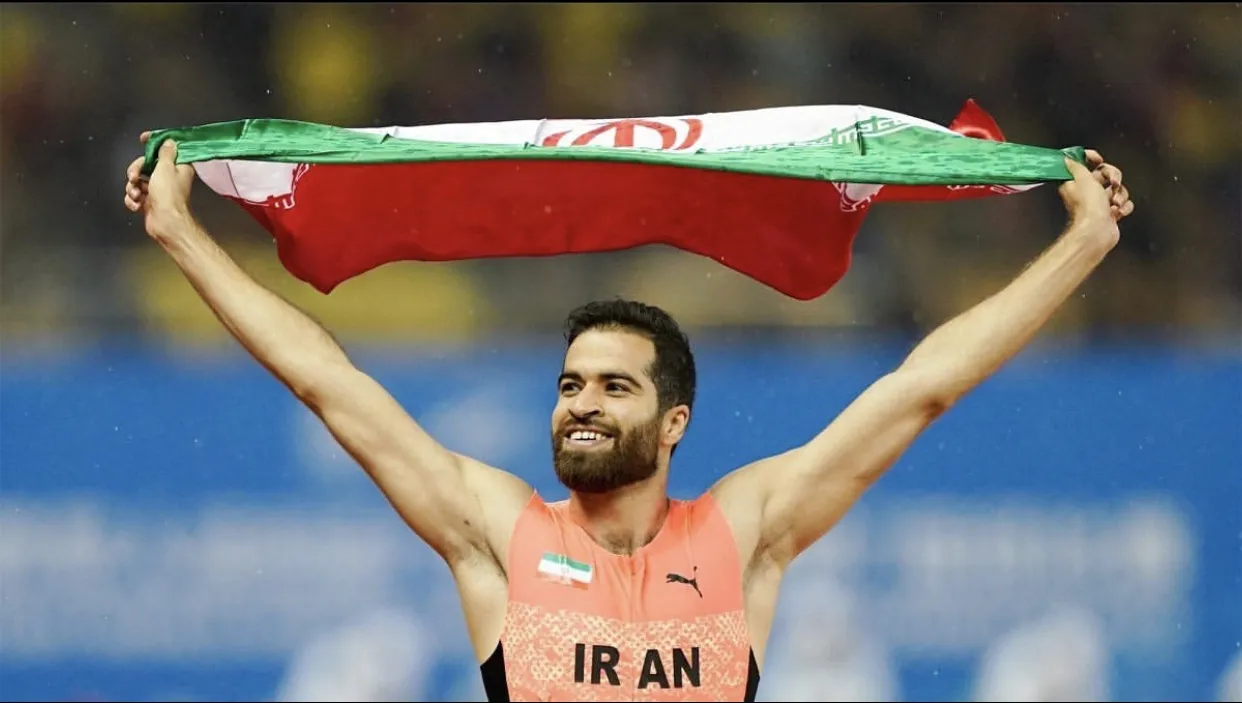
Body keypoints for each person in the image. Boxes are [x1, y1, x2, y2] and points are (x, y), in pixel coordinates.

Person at [123, 135, 1134, 703]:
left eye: (614, 387)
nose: (582, 404)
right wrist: (179, 234)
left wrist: (1083, 248)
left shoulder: (743, 533)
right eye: (571, 384)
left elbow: (921, 387)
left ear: (675, 419)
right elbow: (326, 380)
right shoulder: (499, 531)